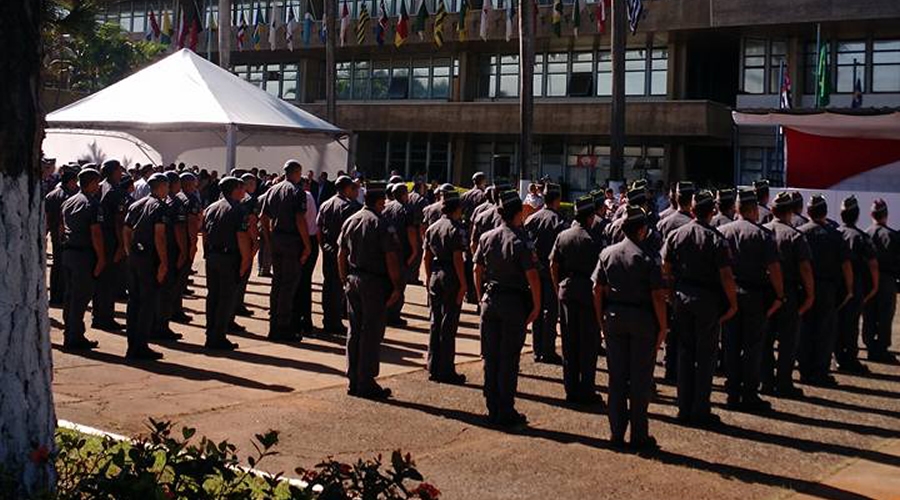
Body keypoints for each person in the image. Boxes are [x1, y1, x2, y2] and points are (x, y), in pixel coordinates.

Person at [662, 190, 738, 427]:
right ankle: (700, 409)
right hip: (707, 299)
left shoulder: (676, 235)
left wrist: (671, 294)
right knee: (705, 357)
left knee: (685, 353)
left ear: (693, 210)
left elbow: (665, 267)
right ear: (712, 211)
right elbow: (726, 275)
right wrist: (733, 302)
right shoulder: (716, 239)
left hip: (683, 296)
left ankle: (683, 408)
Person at [594, 206, 667, 450]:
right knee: (640, 379)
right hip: (642, 320)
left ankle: (616, 433)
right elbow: (658, 296)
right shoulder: (649, 257)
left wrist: (601, 319)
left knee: (616, 378)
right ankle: (639, 435)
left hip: (614, 317)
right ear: (642, 230)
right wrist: (663, 326)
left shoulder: (607, 253)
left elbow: (597, 289)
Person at [474, 190, 541, 427]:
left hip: (490, 299)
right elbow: (532, 276)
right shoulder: (521, 240)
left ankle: (492, 406)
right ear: (517, 213)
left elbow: (477, 269)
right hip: (513, 302)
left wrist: (480, 296)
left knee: (491, 357)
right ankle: (505, 409)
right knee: (509, 359)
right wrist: (537, 304)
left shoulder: (487, 237)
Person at [718, 189, 784, 412]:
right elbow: (774, 268)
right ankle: (749, 394)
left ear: (737, 208)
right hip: (755, 295)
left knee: (730, 345)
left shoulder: (722, 232)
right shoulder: (763, 235)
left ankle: (732, 392)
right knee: (752, 347)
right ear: (755, 210)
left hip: (730, 293)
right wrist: (780, 295)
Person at [338, 181, 402, 399]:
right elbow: (391, 257)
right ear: (380, 201)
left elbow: (341, 253)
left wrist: (344, 279)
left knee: (355, 330)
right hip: (374, 282)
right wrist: (397, 286)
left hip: (354, 278)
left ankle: (354, 378)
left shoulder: (351, 220)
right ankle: (366, 381)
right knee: (371, 332)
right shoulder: (381, 224)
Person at [550, 196, 603, 404]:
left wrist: (558, 288)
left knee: (569, 343)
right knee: (588, 345)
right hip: (588, 292)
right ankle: (587, 390)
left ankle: (571, 389)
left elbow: (553, 264)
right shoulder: (595, 239)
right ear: (590, 217)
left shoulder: (563, 236)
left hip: (567, 289)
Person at [762, 192, 815, 398]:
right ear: (790, 211)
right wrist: (810, 295)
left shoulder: (761, 231)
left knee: (765, 339)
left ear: (772, 210)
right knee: (788, 341)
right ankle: (783, 383)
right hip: (789, 293)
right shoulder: (795, 236)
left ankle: (766, 381)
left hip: (765, 293)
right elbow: (805, 269)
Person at [797, 195, 853, 387]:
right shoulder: (835, 235)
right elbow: (846, 265)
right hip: (828, 289)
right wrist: (849, 289)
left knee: (805, 330)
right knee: (825, 332)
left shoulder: (800, 233)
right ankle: (820, 372)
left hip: (804, 287)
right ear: (826, 212)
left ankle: (805, 371)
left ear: (808, 211)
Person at [259, 160, 312, 341]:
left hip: (277, 239)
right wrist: (307, 245)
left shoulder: (272, 190)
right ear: (297, 173)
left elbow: (263, 217)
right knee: (289, 285)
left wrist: (268, 239)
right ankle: (283, 327)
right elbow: (300, 219)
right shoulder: (297, 192)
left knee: (277, 284)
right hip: (291, 240)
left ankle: (274, 325)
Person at [121, 173, 169, 360]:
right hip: (149, 259)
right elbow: (159, 236)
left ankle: (132, 344)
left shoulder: (136, 204)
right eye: (166, 186)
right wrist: (164, 262)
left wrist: (129, 252)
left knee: (134, 301)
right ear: (161, 186)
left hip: (135, 257)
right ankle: (140, 346)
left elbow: (126, 230)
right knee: (147, 303)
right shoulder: (159, 207)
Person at [201, 176, 252, 350]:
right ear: (235, 190)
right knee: (226, 298)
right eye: (241, 188)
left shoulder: (211, 208)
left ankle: (210, 334)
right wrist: (246, 260)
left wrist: (207, 253)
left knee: (213, 296)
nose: (244, 191)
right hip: (229, 258)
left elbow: (205, 233)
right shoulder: (239, 210)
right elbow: (242, 237)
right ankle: (218, 336)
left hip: (212, 256)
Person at [423, 189, 468, 384]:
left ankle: (433, 366)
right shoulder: (457, 229)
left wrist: (428, 277)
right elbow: (458, 258)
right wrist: (463, 284)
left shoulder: (432, 227)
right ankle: (446, 369)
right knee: (449, 324)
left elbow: (426, 256)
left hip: (435, 273)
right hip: (451, 275)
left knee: (435, 321)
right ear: (456, 208)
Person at [60, 167, 106, 350]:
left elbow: (61, 227)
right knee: (80, 297)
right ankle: (75, 337)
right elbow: (96, 233)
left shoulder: (69, 201)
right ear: (92, 183)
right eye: (97, 182)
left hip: (68, 252)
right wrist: (101, 258)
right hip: (83, 255)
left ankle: (70, 333)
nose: (98, 186)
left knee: (70, 297)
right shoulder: (92, 204)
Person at [655, 181, 695, 383]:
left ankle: (669, 368)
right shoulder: (694, 224)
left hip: (667, 281)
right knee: (687, 332)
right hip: (688, 284)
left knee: (670, 328)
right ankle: (683, 371)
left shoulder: (663, 220)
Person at [524, 183, 568, 364]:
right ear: (558, 199)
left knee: (537, 308)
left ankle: (537, 349)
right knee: (550, 312)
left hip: (534, 270)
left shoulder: (531, 219)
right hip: (552, 271)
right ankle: (548, 350)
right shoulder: (560, 221)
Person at [836, 196, 879, 374]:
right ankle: (850, 360)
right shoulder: (861, 237)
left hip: (836, 287)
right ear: (857, 215)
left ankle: (838, 357)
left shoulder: (835, 233)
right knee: (852, 325)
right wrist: (874, 287)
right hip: (855, 286)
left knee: (837, 323)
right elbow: (872, 264)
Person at [317, 175, 361, 335]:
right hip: (341, 249)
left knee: (328, 285)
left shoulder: (326, 204)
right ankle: (334, 322)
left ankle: (328, 319)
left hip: (328, 247)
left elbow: (318, 227)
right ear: (348, 188)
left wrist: (323, 246)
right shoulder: (348, 207)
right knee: (339, 286)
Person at [152, 171, 188, 341]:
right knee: (167, 290)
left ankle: (154, 323)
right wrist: (184, 251)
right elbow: (179, 229)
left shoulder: (157, 202)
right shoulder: (175, 203)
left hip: (156, 251)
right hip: (170, 250)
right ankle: (161, 326)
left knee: (157, 289)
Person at [93, 160, 127, 332]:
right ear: (114, 171)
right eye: (119, 170)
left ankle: (98, 315)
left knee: (100, 281)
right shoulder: (115, 191)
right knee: (109, 281)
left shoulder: (99, 187)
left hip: (100, 237)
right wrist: (121, 245)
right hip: (111, 239)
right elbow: (119, 221)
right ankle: (105, 318)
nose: (121, 173)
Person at [863, 199, 899, 364]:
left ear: (871, 214)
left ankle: (870, 346)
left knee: (869, 314)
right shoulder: (892, 236)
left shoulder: (865, 234)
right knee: (885, 315)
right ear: (886, 214)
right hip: (887, 279)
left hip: (868, 280)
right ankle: (881, 349)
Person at [382, 182, 419, 327]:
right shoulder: (407, 209)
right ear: (404, 194)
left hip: (387, 250)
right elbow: (411, 231)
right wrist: (415, 250)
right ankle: (393, 315)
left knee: (388, 282)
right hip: (401, 252)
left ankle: (385, 312)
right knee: (399, 284)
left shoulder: (385, 207)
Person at [171, 171, 202, 323]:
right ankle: (175, 310)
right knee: (180, 279)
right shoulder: (191, 199)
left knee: (175, 278)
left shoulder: (177, 198)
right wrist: (193, 244)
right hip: (185, 241)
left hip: (175, 242)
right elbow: (192, 223)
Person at [46, 167, 78, 307]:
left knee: (56, 265)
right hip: (66, 237)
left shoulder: (51, 195)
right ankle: (63, 296)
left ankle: (54, 296)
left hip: (54, 235)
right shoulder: (70, 198)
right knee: (66, 267)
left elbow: (46, 218)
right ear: (70, 182)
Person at [294, 175, 320, 334]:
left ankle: (296, 319)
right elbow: (307, 221)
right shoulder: (307, 196)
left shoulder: (297, 196)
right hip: (307, 239)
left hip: (297, 239)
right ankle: (305, 321)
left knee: (296, 282)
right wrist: (308, 246)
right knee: (304, 282)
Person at [234, 173, 262, 322]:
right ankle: (238, 304)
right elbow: (252, 222)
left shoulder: (233, 198)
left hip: (233, 240)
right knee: (244, 273)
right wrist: (256, 241)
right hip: (246, 240)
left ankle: (235, 303)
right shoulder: (251, 201)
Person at [461, 172, 489, 303]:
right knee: (478, 263)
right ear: (483, 181)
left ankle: (468, 293)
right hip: (478, 231)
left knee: (467, 262)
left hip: (466, 230)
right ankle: (476, 292)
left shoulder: (465, 195)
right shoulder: (482, 196)